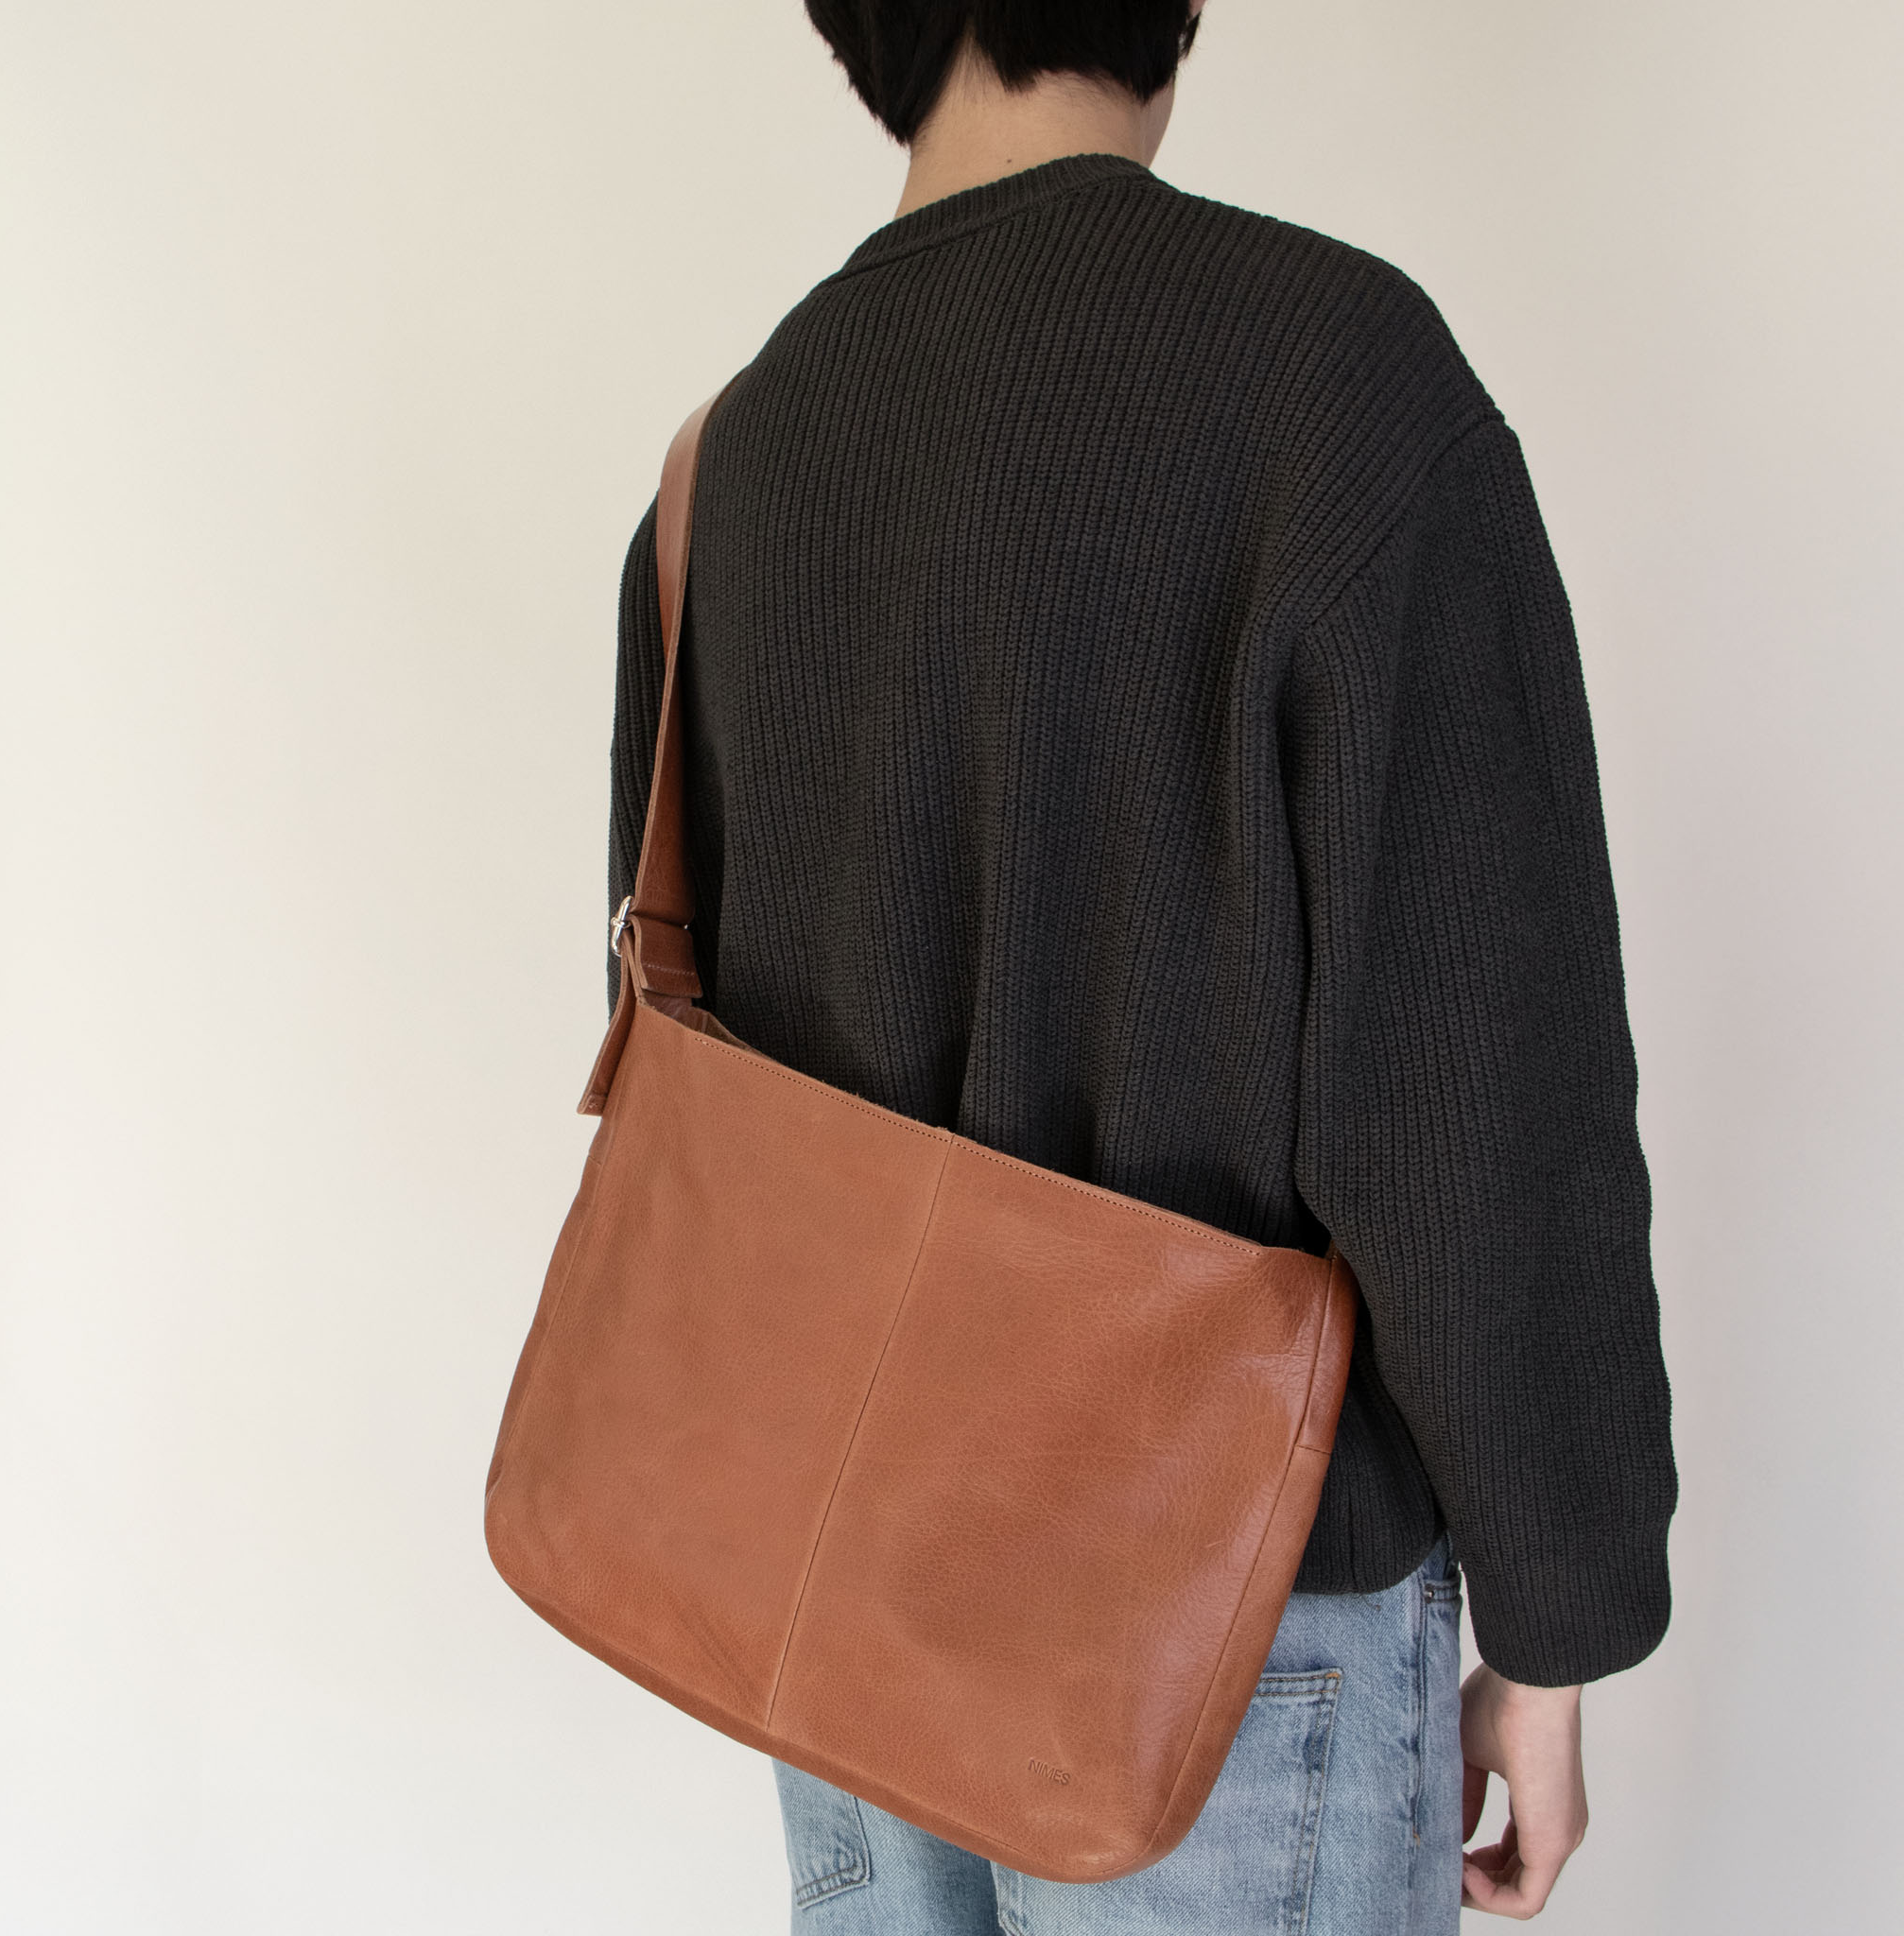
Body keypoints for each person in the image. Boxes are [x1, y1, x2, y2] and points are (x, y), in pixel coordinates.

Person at [603, 4, 1676, 1928]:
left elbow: (704, 1039)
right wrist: (1553, 1610)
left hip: (841, 1592)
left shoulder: (736, 464)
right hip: (1234, 1621)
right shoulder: (1337, 389)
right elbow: (1470, 1086)